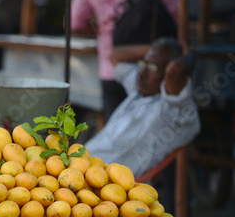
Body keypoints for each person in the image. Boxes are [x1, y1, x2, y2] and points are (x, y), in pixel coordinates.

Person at [84, 37, 200, 184]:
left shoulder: (173, 112)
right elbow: (115, 54)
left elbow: (175, 70)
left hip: (103, 183)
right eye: (143, 64)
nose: (141, 73)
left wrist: (191, 54)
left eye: (153, 69)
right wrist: (153, 52)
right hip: (81, 165)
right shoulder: (139, 91)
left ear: (166, 77)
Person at [71, 0, 178, 122]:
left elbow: (75, 23)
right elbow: (176, 13)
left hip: (111, 68)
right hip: (153, 71)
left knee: (116, 127)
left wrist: (103, 30)